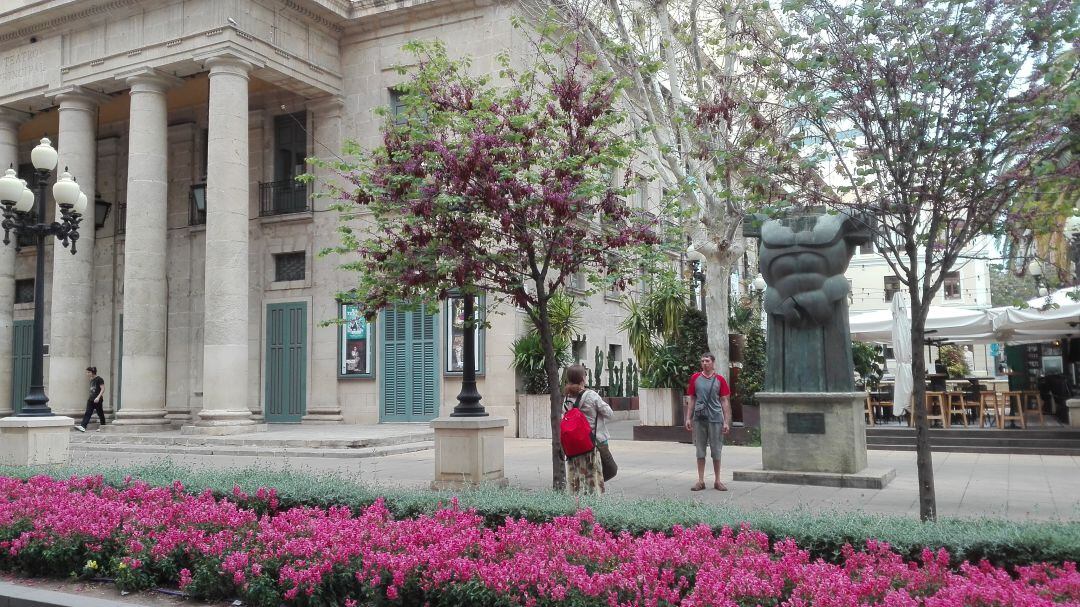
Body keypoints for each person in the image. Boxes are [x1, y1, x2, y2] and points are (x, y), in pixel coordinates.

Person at [684, 353, 731, 491]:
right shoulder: (695, 378)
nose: (705, 363)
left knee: (716, 450)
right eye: (703, 361)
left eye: (707, 361)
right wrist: (688, 417)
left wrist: (726, 421)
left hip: (716, 418)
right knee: (700, 450)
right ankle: (700, 481)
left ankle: (717, 481)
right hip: (699, 419)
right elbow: (692, 399)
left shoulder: (720, 380)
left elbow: (724, 401)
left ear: (713, 363)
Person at [563, 364, 613, 494]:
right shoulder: (591, 395)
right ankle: (592, 508)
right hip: (592, 444)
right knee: (594, 478)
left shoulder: (567, 398)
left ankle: (577, 506)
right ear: (582, 379)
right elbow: (609, 413)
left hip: (574, 447)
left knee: (577, 479)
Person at [76, 366, 105, 432]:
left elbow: (103, 389)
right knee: (88, 412)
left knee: (100, 413)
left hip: (97, 400)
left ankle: (103, 426)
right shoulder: (91, 379)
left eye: (89, 372)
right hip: (91, 399)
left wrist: (98, 397)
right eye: (87, 372)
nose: (87, 374)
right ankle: (83, 426)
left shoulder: (99, 379)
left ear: (93, 372)